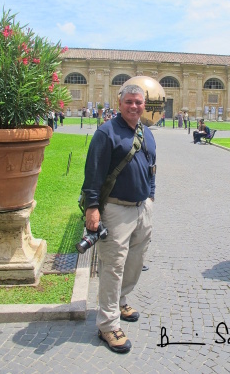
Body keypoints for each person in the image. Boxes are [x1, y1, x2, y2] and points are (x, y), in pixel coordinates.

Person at [82, 84, 156, 354]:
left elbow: (151, 167)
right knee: (113, 265)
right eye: (129, 102)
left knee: (135, 261)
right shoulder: (106, 132)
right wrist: (92, 208)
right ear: (120, 102)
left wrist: (151, 196)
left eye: (138, 102)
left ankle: (121, 301)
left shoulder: (146, 132)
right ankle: (107, 325)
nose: (134, 106)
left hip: (141, 208)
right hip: (114, 209)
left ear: (144, 105)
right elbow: (93, 173)